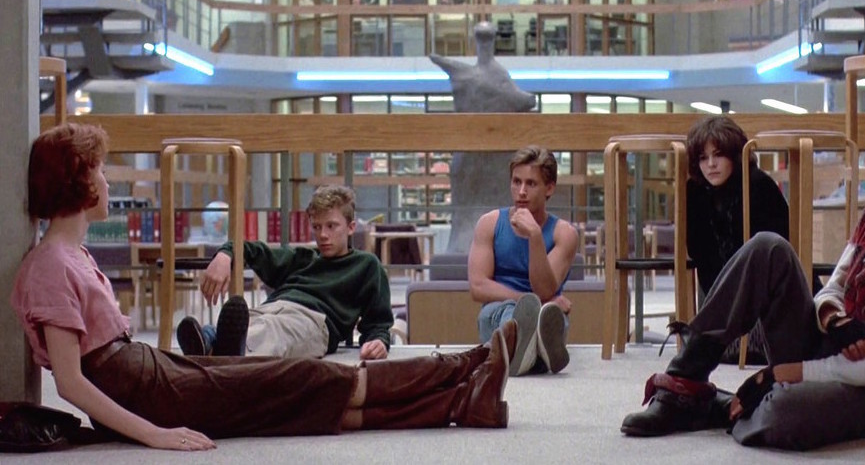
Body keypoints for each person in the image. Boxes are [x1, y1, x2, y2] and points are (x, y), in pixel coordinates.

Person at [10, 123, 517, 450]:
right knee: (304, 379)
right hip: (151, 391)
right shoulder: (51, 264)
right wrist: (154, 435)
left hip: (152, 372)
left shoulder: (72, 256)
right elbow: (71, 382)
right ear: (80, 182)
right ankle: (462, 371)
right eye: (99, 170)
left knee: (296, 396)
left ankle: (463, 398)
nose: (107, 181)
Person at [620, 108, 865, 450]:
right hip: (831, 351)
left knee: (783, 412)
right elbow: (833, 288)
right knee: (767, 246)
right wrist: (834, 319)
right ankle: (682, 384)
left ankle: (720, 407)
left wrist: (777, 374)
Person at [179, 184, 392, 361]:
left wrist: (379, 341)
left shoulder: (366, 265)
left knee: (274, 330)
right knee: (253, 322)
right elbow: (254, 250)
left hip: (314, 320)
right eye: (317, 227)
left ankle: (214, 346)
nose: (323, 235)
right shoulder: (303, 258)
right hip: (273, 308)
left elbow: (378, 322)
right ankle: (213, 342)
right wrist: (225, 254)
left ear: (351, 227)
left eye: (331, 226)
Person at [685, 116, 789, 364]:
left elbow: (778, 255)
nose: (711, 165)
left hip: (765, 299)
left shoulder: (759, 186)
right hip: (719, 295)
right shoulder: (695, 191)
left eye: (718, 155)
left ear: (734, 155)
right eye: (703, 158)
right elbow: (698, 252)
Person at [469, 145, 579, 376]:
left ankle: (521, 354)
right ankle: (535, 352)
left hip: (546, 313)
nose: (521, 191)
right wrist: (525, 301)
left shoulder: (564, 233)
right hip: (499, 308)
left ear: (549, 188)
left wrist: (535, 236)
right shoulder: (489, 223)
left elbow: (544, 289)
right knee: (511, 316)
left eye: (531, 184)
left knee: (549, 317)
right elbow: (478, 287)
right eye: (516, 182)